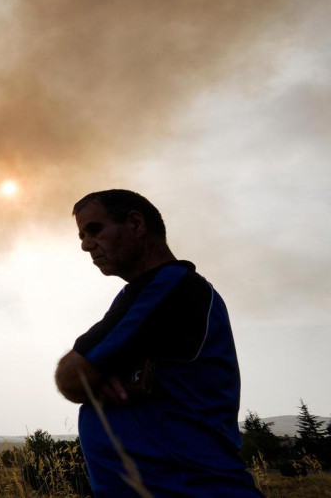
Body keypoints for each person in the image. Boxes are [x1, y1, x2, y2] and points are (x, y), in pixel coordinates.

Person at [54, 189, 261, 497]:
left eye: (95, 229)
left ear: (136, 224)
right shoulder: (157, 290)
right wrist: (104, 375)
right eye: (82, 236)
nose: (86, 245)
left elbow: (72, 377)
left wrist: (94, 379)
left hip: (191, 489)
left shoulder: (167, 287)